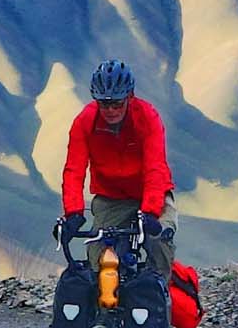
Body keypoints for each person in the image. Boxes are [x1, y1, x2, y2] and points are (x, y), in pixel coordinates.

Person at [53, 60, 173, 281]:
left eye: (117, 104)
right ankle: (105, 301)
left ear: (129, 97)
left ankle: (161, 294)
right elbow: (73, 170)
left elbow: (156, 168)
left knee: (159, 242)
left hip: (151, 194)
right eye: (104, 104)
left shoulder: (148, 117)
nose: (110, 110)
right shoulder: (85, 122)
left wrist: (150, 212)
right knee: (97, 256)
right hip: (111, 197)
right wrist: (73, 213)